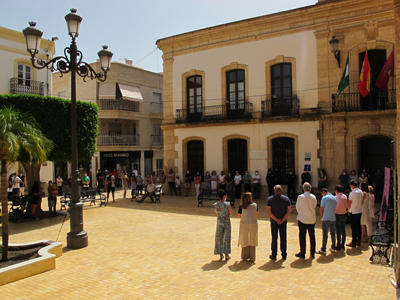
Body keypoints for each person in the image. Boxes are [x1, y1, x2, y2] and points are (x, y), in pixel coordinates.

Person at [267, 185, 292, 261]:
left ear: (274, 191)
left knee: (274, 238)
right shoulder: (286, 199)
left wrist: (276, 219)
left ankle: (274, 254)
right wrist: (283, 219)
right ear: (281, 191)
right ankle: (284, 254)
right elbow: (289, 211)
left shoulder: (270, 199)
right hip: (283, 221)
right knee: (283, 237)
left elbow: (269, 211)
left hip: (274, 221)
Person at [295, 182, 317, 259]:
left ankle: (302, 252)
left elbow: (297, 207)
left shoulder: (301, 197)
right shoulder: (313, 197)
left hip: (302, 218)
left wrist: (301, 213)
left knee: (302, 236)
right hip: (311, 218)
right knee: (312, 236)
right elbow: (314, 206)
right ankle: (312, 252)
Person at [237, 192, 258, 262]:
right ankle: (252, 256)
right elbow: (257, 214)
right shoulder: (255, 205)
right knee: (252, 239)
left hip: (244, 223)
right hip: (253, 223)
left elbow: (238, 216)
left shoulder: (241, 206)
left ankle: (244, 256)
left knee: (245, 238)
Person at [316, 188, 337, 255]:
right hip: (333, 218)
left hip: (326, 218)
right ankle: (333, 247)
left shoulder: (324, 198)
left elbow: (321, 209)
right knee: (333, 233)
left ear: (323, 192)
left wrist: (322, 217)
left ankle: (323, 249)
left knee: (325, 234)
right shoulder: (334, 198)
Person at [214, 189, 232, 261]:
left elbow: (216, 213)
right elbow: (231, 213)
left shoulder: (216, 205)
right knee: (227, 237)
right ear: (224, 196)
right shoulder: (227, 204)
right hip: (226, 222)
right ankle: (226, 254)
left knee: (219, 237)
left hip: (219, 222)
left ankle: (220, 253)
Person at [346, 180, 363, 247]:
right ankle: (358, 240)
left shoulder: (352, 193)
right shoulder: (360, 192)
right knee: (358, 226)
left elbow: (349, 203)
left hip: (353, 211)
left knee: (353, 227)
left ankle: (353, 242)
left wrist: (348, 209)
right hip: (359, 210)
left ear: (352, 186)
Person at [335, 185, 348, 251]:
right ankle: (343, 244)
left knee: (338, 231)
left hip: (338, 215)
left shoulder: (336, 197)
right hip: (344, 214)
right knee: (343, 230)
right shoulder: (345, 196)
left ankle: (338, 244)